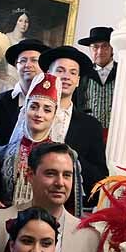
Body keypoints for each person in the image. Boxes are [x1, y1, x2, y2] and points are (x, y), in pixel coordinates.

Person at [39, 46, 108, 204]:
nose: (66, 77)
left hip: (69, 205)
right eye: (60, 70)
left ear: (77, 81)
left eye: (73, 72)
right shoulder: (28, 114)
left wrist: (70, 156)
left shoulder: (90, 126)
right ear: (48, 76)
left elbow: (100, 178)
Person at [0, 73, 73, 212]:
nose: (39, 114)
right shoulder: (3, 153)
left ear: (55, 116)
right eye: (34, 107)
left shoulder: (66, 158)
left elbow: (72, 206)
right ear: (25, 109)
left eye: (47, 110)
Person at [0, 38, 48, 148]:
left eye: (34, 60)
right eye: (23, 61)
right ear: (16, 65)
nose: (28, 65)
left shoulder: (52, 102)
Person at [76, 26, 117, 138]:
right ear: (90, 49)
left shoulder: (123, 72)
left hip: (117, 134)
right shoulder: (82, 73)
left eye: (105, 46)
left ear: (112, 48)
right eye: (95, 47)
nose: (100, 51)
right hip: (87, 133)